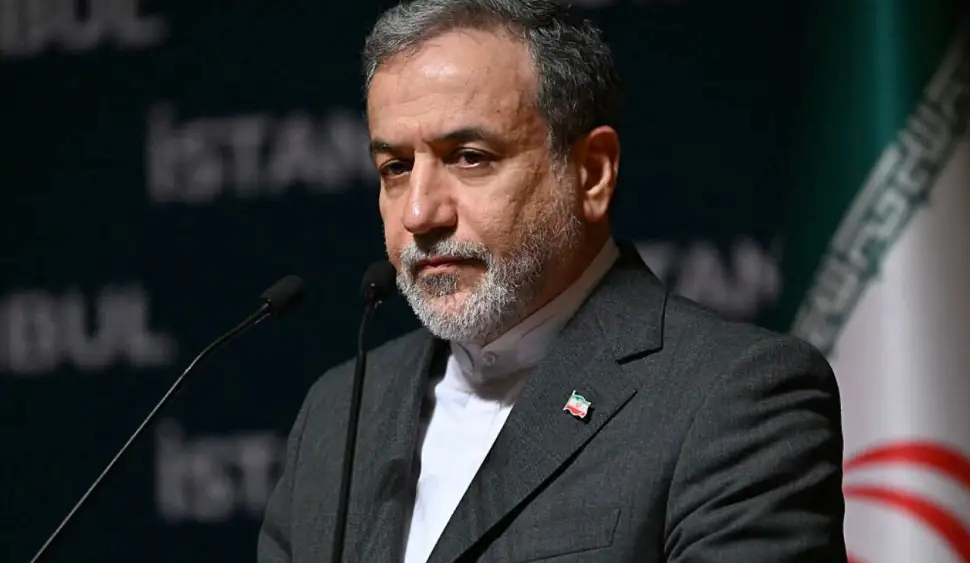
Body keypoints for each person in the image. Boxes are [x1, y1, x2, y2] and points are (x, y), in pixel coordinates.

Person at [258, 1, 848, 562]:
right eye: (396, 168)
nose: (419, 213)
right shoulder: (339, 412)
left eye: (469, 157)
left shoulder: (735, 398)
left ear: (591, 174)